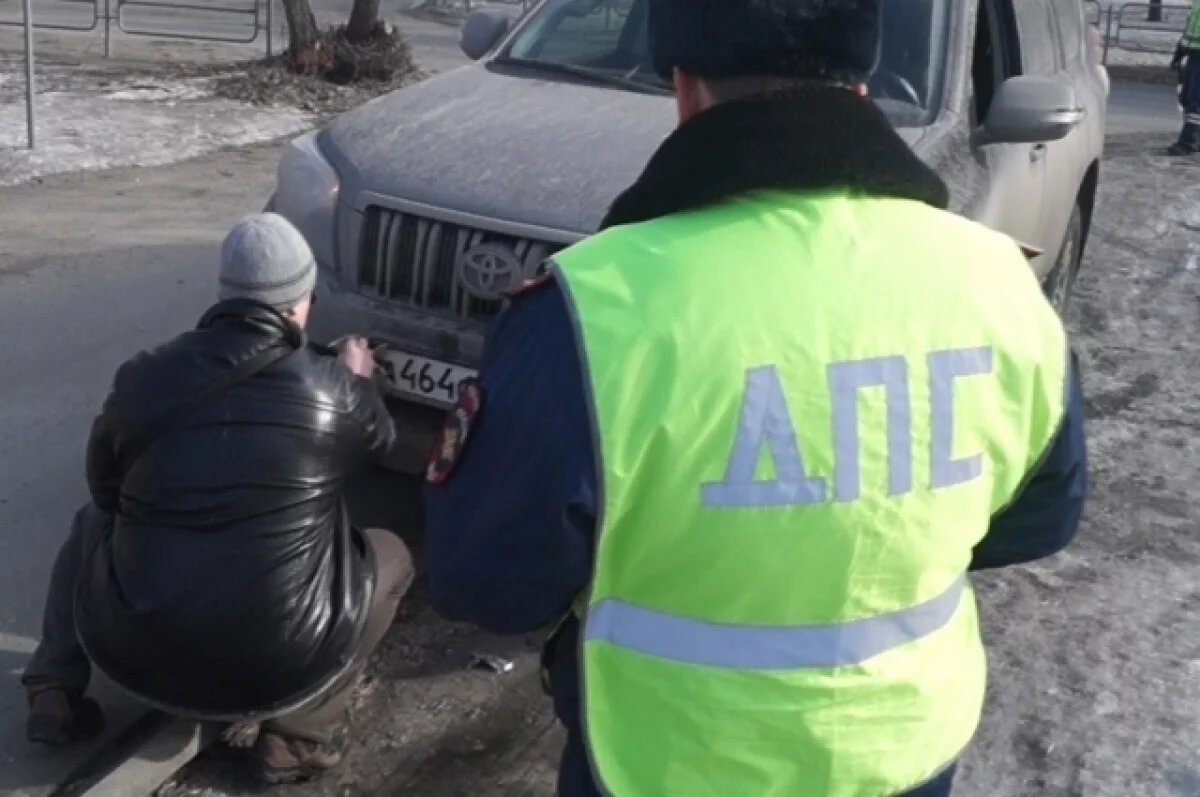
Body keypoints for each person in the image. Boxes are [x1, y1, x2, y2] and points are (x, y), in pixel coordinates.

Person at [424, 0, 1091, 794]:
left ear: (684, 90)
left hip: (662, 767)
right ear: (861, 86)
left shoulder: (593, 308)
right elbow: (1041, 517)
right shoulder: (998, 282)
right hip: (904, 755)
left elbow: (488, 579)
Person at [22, 213, 413, 786]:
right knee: (392, 555)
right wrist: (360, 382)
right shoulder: (332, 390)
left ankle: (53, 686)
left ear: (225, 295)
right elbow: (381, 443)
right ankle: (295, 735)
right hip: (273, 670)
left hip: (135, 656)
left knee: (93, 518)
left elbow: (105, 488)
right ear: (300, 303)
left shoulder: (144, 374)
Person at [1169, 0, 1200, 156]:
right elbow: (1191, 30)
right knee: (1187, 98)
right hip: (1194, 55)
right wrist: (1180, 51)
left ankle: (1188, 141)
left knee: (1195, 100)